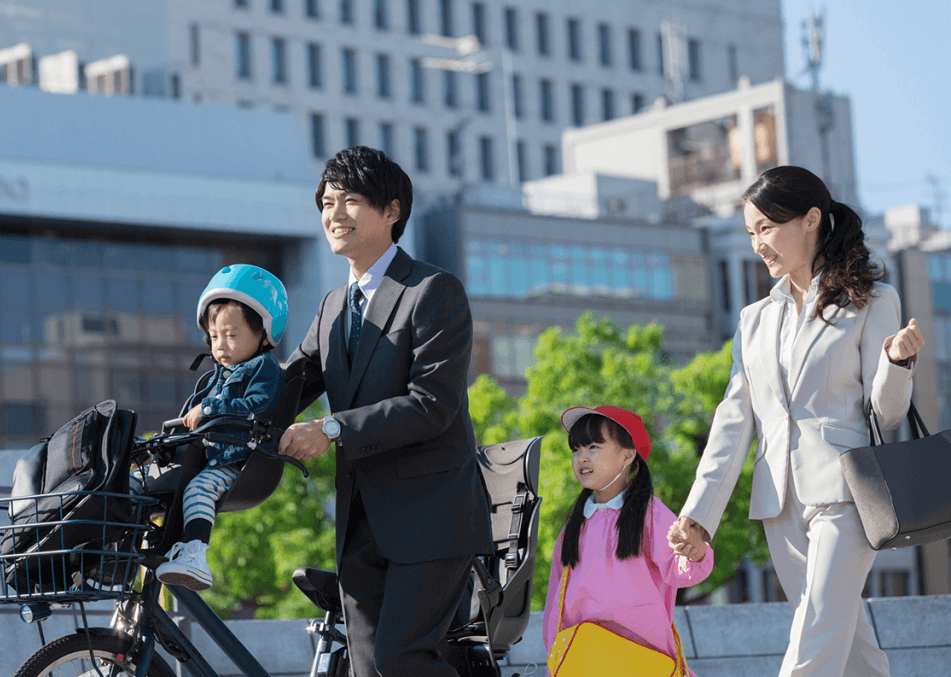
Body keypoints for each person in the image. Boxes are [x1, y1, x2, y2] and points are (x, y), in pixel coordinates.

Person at [667, 166, 924, 677]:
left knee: (814, 635)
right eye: (750, 232)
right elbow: (735, 417)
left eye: (766, 227)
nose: (758, 244)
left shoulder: (871, 299)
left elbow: (886, 414)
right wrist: (699, 513)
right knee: (849, 645)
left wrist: (896, 364)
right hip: (779, 503)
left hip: (848, 493)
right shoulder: (754, 319)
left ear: (811, 220)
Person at [278, 146, 492, 677]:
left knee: (402, 661)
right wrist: (214, 409)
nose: (334, 214)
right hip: (360, 523)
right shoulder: (331, 307)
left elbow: (433, 405)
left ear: (392, 210)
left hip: (433, 519)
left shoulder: (432, 291)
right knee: (369, 667)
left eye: (351, 200)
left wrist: (330, 428)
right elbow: (285, 387)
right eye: (326, 202)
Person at [135, 264, 288, 591]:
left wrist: (210, 408)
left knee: (199, 489)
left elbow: (256, 407)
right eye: (214, 336)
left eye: (231, 335)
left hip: (235, 459)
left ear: (263, 333)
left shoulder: (264, 368)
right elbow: (187, 420)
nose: (220, 346)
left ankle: (194, 553)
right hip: (202, 457)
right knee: (143, 481)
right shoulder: (214, 376)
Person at [544, 406, 712, 676]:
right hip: (585, 658)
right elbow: (556, 598)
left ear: (627, 455)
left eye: (593, 447)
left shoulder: (651, 514)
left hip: (643, 656)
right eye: (576, 450)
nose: (581, 458)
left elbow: (680, 568)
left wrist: (695, 552)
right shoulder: (574, 525)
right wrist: (554, 650)